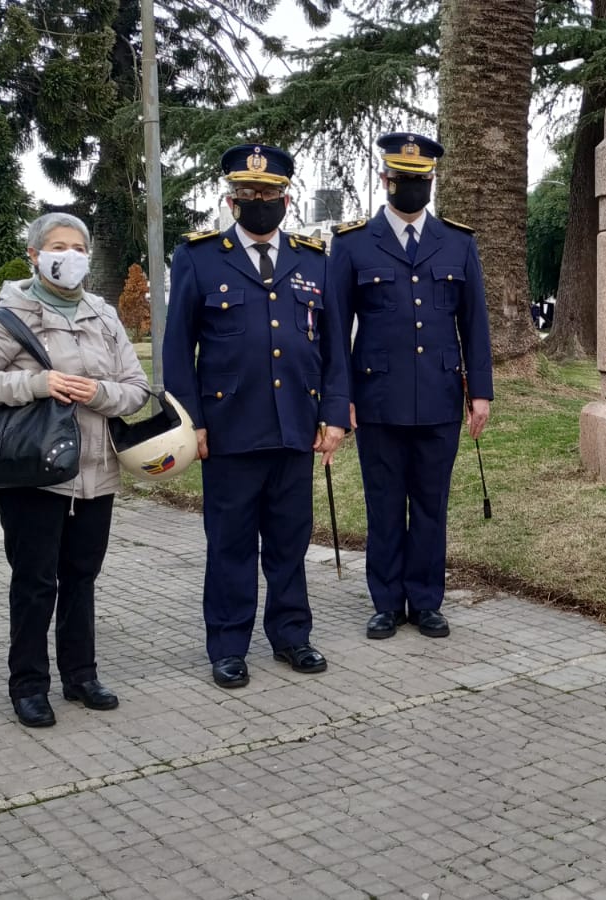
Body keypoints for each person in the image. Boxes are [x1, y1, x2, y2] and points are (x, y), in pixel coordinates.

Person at [0, 213, 150, 727]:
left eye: (78, 246)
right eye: (58, 246)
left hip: (95, 470)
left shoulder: (104, 315)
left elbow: (137, 386)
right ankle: (28, 684)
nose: (70, 255)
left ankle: (81, 675)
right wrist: (36, 385)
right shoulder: (9, 317)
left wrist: (100, 393)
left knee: (82, 576)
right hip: (31, 471)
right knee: (36, 580)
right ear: (35, 255)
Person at [164, 144, 349, 688]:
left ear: (286, 200)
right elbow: (178, 352)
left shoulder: (314, 258)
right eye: (248, 195)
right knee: (231, 543)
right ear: (231, 200)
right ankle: (227, 644)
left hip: (296, 425)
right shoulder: (198, 257)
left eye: (268, 194)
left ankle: (292, 635)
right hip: (229, 430)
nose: (259, 202)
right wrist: (190, 422)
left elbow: (335, 348)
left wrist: (333, 415)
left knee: (290, 541)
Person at [327, 132, 492, 641]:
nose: (411, 188)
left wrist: (480, 392)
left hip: (440, 398)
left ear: (431, 182)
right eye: (402, 179)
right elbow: (335, 328)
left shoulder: (457, 242)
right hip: (376, 401)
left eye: (421, 181)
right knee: (383, 504)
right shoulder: (352, 243)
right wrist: (340, 399)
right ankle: (385, 602)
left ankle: (425, 601)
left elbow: (475, 323)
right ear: (385, 180)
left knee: (429, 504)